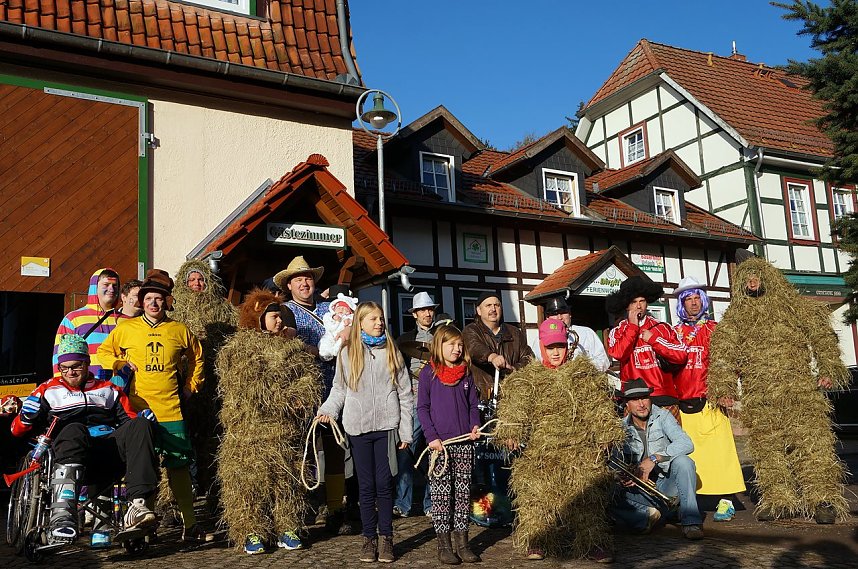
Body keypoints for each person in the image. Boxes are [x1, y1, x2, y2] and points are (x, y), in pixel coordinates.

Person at [708, 257, 849, 523]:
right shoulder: (736, 316)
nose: (752, 282)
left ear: (767, 277)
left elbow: (821, 335)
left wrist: (828, 369)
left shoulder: (792, 306)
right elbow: (723, 354)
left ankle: (821, 499)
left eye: (756, 276)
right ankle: (778, 500)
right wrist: (724, 387)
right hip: (759, 395)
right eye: (746, 278)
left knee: (812, 446)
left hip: (800, 391)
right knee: (767, 449)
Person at [495, 319, 623, 562]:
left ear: (568, 348)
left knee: (587, 492)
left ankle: (593, 542)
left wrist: (606, 433)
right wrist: (512, 431)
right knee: (535, 493)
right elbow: (515, 408)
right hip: (541, 451)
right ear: (542, 347)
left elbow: (597, 408)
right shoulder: (528, 378)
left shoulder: (581, 375)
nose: (556, 352)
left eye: (560, 346)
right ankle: (539, 540)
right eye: (551, 347)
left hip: (579, 448)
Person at [11, 334, 159, 541]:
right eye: (64, 367)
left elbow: (129, 422)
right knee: (74, 428)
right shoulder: (47, 390)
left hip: (106, 454)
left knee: (141, 425)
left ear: (87, 363)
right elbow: (17, 430)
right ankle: (62, 514)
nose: (70, 372)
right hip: (67, 454)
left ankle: (138, 506)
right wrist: (26, 416)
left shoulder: (109, 390)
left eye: (76, 366)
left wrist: (144, 421)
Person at [98, 269, 209, 542]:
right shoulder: (125, 328)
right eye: (149, 298)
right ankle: (144, 524)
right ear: (142, 301)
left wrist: (191, 386)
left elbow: (198, 358)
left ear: (166, 302)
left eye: (159, 299)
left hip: (171, 409)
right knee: (142, 466)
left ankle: (190, 525)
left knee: (179, 467)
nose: (154, 303)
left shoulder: (179, 330)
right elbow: (102, 353)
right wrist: (119, 364)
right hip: (138, 412)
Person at [216, 289, 320, 554]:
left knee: (286, 482)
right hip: (249, 433)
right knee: (249, 483)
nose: (279, 321)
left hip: (285, 432)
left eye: (280, 316)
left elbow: (308, 378)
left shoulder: (292, 347)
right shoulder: (239, 348)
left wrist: (298, 397)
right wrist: (285, 396)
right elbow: (251, 387)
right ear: (258, 317)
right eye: (273, 315)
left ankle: (287, 527)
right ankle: (252, 531)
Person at [317, 301, 412, 564]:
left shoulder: (392, 351)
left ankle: (387, 538)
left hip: (385, 426)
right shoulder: (348, 353)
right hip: (357, 427)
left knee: (384, 483)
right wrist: (328, 410)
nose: (379, 322)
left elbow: (405, 393)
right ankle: (369, 539)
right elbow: (339, 389)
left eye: (381, 318)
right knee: (366, 485)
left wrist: (406, 431)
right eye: (373, 319)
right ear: (360, 323)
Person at [274, 256, 354, 533]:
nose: (304, 283)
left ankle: (335, 507)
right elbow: (285, 345)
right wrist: (314, 351)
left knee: (334, 448)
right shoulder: (285, 311)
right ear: (289, 285)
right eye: (298, 279)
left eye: (307, 278)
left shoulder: (329, 308)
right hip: (302, 389)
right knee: (303, 449)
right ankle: (305, 506)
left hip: (334, 385)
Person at [169, 259, 238, 506]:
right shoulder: (174, 314)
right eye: (192, 280)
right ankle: (177, 498)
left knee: (214, 437)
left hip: (216, 385)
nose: (197, 284)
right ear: (183, 284)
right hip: (182, 387)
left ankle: (214, 490)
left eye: (201, 280)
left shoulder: (226, 312)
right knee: (181, 439)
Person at [672, 277, 745, 505]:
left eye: (697, 298)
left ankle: (726, 500)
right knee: (692, 454)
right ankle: (693, 499)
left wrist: (726, 389)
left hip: (711, 400)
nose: (693, 303)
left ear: (703, 301)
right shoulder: (673, 333)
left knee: (720, 453)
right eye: (689, 299)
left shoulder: (716, 330)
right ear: (682, 304)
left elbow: (728, 362)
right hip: (684, 402)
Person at [417, 324, 481, 564]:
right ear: (439, 345)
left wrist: (474, 425)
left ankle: (463, 544)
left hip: (464, 442)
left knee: (463, 493)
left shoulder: (466, 373)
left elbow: (473, 405)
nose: (456, 349)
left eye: (459, 345)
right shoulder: (429, 373)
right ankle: (444, 546)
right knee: (442, 496)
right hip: (440, 446)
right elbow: (422, 408)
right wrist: (431, 436)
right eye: (451, 344)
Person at [609, 379, 704, 540]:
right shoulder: (620, 428)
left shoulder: (663, 416)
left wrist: (655, 458)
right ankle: (647, 516)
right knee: (603, 492)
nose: (641, 404)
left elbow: (686, 444)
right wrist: (621, 477)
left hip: (665, 484)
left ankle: (691, 523)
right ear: (626, 404)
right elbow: (614, 464)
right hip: (640, 491)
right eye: (634, 399)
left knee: (684, 462)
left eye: (644, 397)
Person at [606, 276, 686, 422]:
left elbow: (681, 355)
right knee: (636, 444)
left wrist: (653, 340)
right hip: (633, 398)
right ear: (626, 306)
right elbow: (617, 354)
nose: (638, 306)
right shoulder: (618, 331)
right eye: (633, 302)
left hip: (664, 397)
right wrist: (632, 327)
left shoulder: (662, 327)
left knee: (673, 443)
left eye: (642, 301)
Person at [393, 291, 439, 518]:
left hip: (438, 398)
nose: (427, 314)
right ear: (415, 314)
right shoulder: (404, 340)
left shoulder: (443, 336)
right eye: (422, 310)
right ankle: (403, 503)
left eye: (430, 309)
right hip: (413, 397)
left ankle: (431, 503)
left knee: (435, 451)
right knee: (406, 448)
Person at [52, 268, 124, 380]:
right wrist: (60, 385)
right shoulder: (73, 319)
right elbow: (59, 356)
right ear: (95, 287)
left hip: (120, 388)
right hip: (86, 388)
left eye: (115, 286)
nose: (111, 289)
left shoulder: (127, 321)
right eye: (106, 284)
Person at [462, 291, 534, 397]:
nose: (493, 309)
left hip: (511, 395)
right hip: (481, 395)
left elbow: (529, 357)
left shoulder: (514, 333)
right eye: (488, 305)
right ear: (479, 310)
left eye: (497, 305)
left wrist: (513, 369)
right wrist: (491, 357)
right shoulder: (471, 330)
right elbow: (473, 348)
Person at [529, 297, 611, 372]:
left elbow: (604, 361)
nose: (559, 317)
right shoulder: (540, 339)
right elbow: (535, 364)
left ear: (570, 314)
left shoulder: (587, 333)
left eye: (563, 312)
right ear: (547, 318)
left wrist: (584, 368)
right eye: (554, 314)